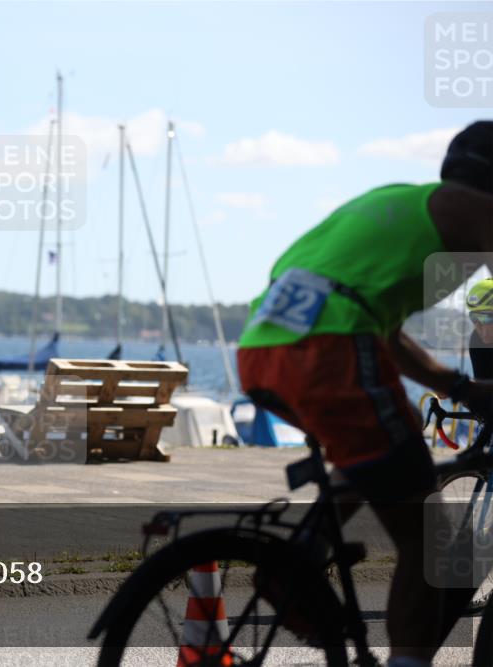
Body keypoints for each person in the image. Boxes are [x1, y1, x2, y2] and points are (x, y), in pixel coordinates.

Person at [236, 120, 493, 667]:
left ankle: (299, 559)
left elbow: (383, 334)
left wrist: (460, 387)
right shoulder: (478, 213)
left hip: (263, 345)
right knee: (430, 542)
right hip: (330, 348)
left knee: (376, 455)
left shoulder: (392, 202)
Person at [467, 277, 493, 380]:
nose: (479, 327)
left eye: (485, 318)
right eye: (474, 318)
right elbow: (482, 383)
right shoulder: (476, 340)